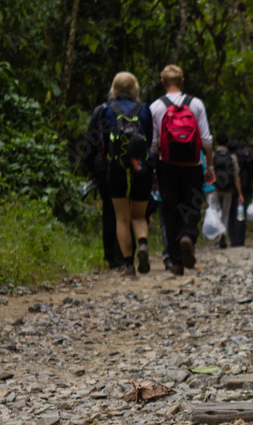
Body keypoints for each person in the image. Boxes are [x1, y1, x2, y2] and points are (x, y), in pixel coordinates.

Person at [150, 64, 214, 275]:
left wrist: (153, 171)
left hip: (166, 166)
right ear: (182, 81)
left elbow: (153, 145)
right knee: (193, 205)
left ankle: (176, 261)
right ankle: (187, 235)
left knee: (170, 210)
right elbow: (206, 140)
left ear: (162, 82)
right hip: (193, 166)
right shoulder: (196, 104)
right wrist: (210, 166)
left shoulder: (155, 107)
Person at [99, 72, 153, 277]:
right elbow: (149, 140)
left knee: (121, 218)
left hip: (117, 168)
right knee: (139, 215)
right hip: (141, 167)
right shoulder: (144, 110)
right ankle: (143, 244)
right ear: (135, 89)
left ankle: (128, 265)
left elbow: (104, 141)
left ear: (114, 88)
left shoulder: (107, 110)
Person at [82, 97, 132, 271]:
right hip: (130, 167)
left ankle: (111, 256)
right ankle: (124, 255)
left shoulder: (102, 110)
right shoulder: (139, 109)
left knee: (110, 211)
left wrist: (90, 167)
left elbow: (91, 141)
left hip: (104, 166)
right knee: (126, 210)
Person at [209, 133, 243, 249]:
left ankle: (219, 235)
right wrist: (240, 194)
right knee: (226, 214)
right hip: (228, 189)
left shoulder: (212, 155)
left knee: (216, 212)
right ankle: (223, 234)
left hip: (215, 188)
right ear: (227, 143)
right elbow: (236, 177)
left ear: (216, 142)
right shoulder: (232, 157)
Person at [228, 133, 253, 246]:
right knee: (240, 213)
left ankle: (232, 238)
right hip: (244, 186)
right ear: (242, 140)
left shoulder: (227, 152)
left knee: (231, 213)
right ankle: (239, 240)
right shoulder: (246, 153)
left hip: (228, 187)